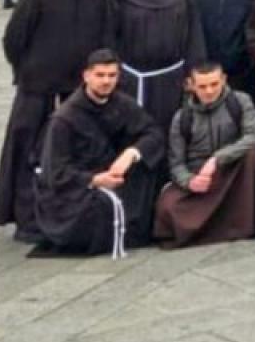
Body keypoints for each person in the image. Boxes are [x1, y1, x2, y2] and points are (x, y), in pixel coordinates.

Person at [0, 0, 108, 240]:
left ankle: (68, 214)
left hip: (79, 92)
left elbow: (104, 39)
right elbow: (13, 40)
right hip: (38, 89)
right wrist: (28, 71)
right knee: (28, 152)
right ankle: (27, 218)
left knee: (72, 155)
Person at [30, 50, 164, 257]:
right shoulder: (64, 119)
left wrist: (131, 153)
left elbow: (153, 133)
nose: (106, 81)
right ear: (86, 76)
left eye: (112, 75)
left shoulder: (122, 103)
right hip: (78, 185)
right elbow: (55, 171)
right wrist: (94, 180)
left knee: (152, 172)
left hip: (114, 173)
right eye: (100, 75)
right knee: (97, 210)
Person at [155, 59, 255, 247]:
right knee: (167, 205)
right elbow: (176, 163)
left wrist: (218, 158)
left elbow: (254, 135)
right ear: (191, 85)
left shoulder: (240, 101)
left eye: (214, 84)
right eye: (202, 86)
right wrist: (190, 181)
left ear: (224, 80)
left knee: (252, 158)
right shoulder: (182, 117)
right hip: (200, 179)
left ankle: (242, 227)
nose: (209, 91)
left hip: (232, 171)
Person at [108, 0, 209, 131]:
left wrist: (194, 71)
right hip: (131, 80)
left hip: (171, 80)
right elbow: (109, 36)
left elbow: (194, 35)